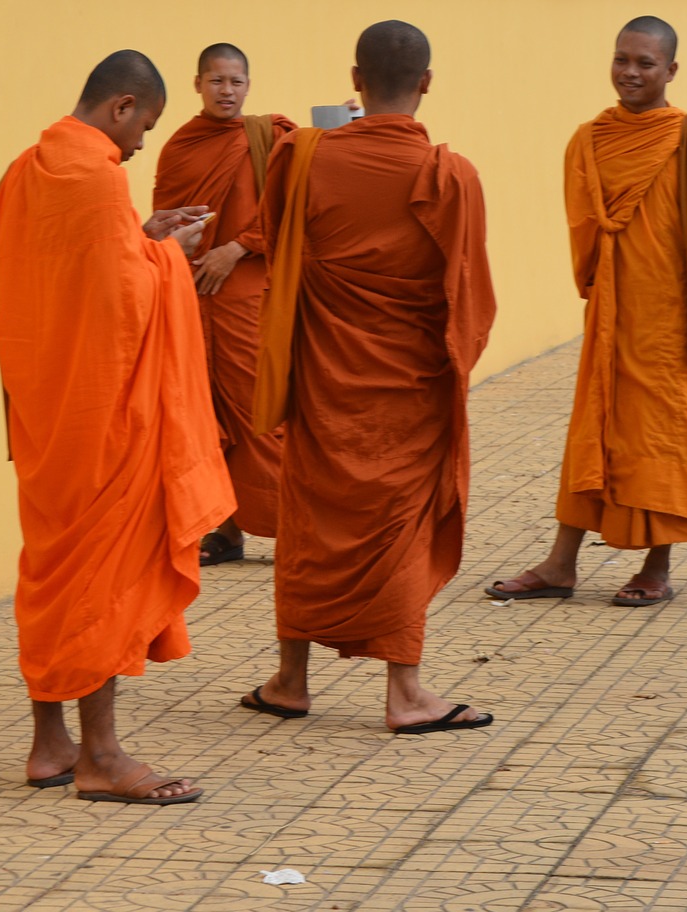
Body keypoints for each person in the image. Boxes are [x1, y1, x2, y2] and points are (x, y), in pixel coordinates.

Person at [0, 50, 235, 804]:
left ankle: (48, 744)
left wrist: (136, 233)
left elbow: (4, 234)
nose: (140, 146)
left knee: (51, 564)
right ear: (122, 106)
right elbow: (126, 299)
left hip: (44, 404)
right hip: (102, 419)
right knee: (100, 574)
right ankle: (100, 756)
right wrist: (167, 251)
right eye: (144, 128)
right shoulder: (98, 176)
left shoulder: (30, 165)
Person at [241, 20, 497, 734]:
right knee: (399, 526)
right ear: (426, 83)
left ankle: (291, 679)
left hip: (324, 379)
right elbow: (471, 302)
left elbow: (275, 243)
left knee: (309, 519)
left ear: (355, 81)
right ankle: (405, 693)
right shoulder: (452, 177)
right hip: (406, 390)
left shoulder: (302, 156)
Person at [485, 16, 687, 607]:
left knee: (666, 437)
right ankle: (561, 563)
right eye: (621, 59)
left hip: (677, 321)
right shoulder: (590, 138)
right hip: (612, 313)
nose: (629, 72)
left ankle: (657, 566)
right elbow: (583, 224)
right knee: (595, 429)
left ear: (670, 71)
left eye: (645, 63)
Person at [152, 44, 297, 566]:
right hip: (191, 300)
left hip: (246, 298)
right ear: (197, 85)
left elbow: (291, 206)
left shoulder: (270, 138)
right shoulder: (180, 146)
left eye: (236, 82)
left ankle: (295, 527)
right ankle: (226, 529)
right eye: (216, 81)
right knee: (205, 417)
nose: (227, 92)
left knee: (259, 413)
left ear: (249, 85)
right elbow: (163, 217)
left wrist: (234, 250)